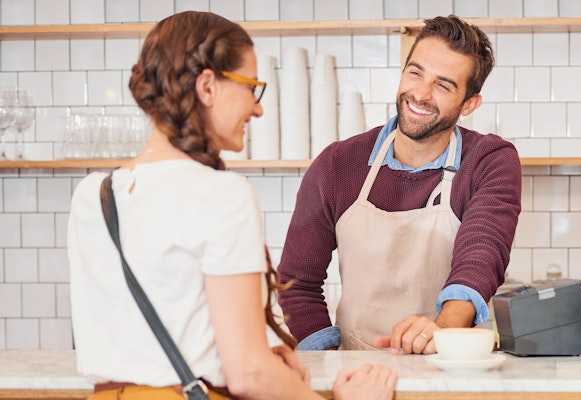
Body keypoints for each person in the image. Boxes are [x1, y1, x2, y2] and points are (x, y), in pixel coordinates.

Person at [68, 11, 395, 400]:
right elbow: (249, 376)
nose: (256, 109)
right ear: (207, 86)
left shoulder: (93, 194)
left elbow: (152, 333)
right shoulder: (222, 194)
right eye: (250, 87)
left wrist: (258, 357)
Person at [278, 15, 522, 353]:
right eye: (416, 72)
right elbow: (296, 283)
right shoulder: (337, 164)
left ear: (469, 103)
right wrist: (330, 361)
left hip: (450, 368)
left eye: (443, 85)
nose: (420, 94)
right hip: (356, 374)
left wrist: (442, 330)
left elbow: (483, 252)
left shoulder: (489, 159)